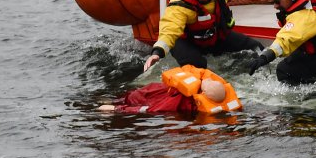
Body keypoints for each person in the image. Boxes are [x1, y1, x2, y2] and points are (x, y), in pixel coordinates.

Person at [99, 65, 241, 115]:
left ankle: (113, 101)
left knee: (132, 97)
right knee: (133, 95)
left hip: (153, 96)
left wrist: (117, 109)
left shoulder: (181, 102)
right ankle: (115, 99)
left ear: (203, 93)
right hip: (158, 91)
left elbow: (151, 109)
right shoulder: (221, 104)